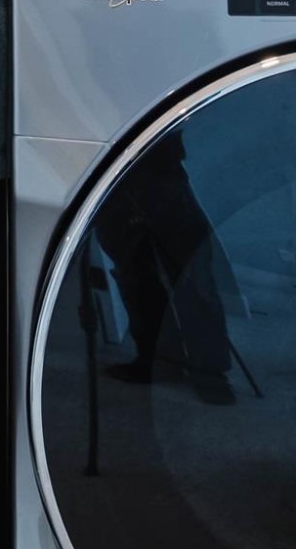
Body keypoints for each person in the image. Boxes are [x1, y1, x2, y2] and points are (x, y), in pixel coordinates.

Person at [92, 129, 237, 405]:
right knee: (137, 274)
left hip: (152, 164)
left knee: (190, 273)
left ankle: (205, 370)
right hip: (113, 169)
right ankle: (161, 362)